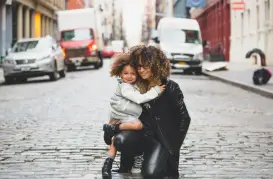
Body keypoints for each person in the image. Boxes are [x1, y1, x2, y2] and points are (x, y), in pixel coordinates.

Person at [110, 45, 191, 179]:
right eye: (138, 66)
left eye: (145, 65)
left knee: (151, 174)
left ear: (155, 65)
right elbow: (124, 109)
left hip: (160, 140)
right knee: (120, 140)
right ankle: (136, 159)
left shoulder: (171, 88)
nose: (141, 69)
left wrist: (173, 147)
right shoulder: (136, 86)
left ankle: (156, 158)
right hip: (142, 134)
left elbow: (185, 119)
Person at [101, 53, 166, 177]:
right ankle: (113, 129)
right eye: (126, 73)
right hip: (123, 116)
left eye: (133, 74)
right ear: (120, 73)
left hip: (119, 115)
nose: (130, 76)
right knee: (138, 125)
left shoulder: (131, 85)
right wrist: (156, 91)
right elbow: (138, 99)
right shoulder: (125, 87)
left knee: (114, 143)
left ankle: (107, 165)